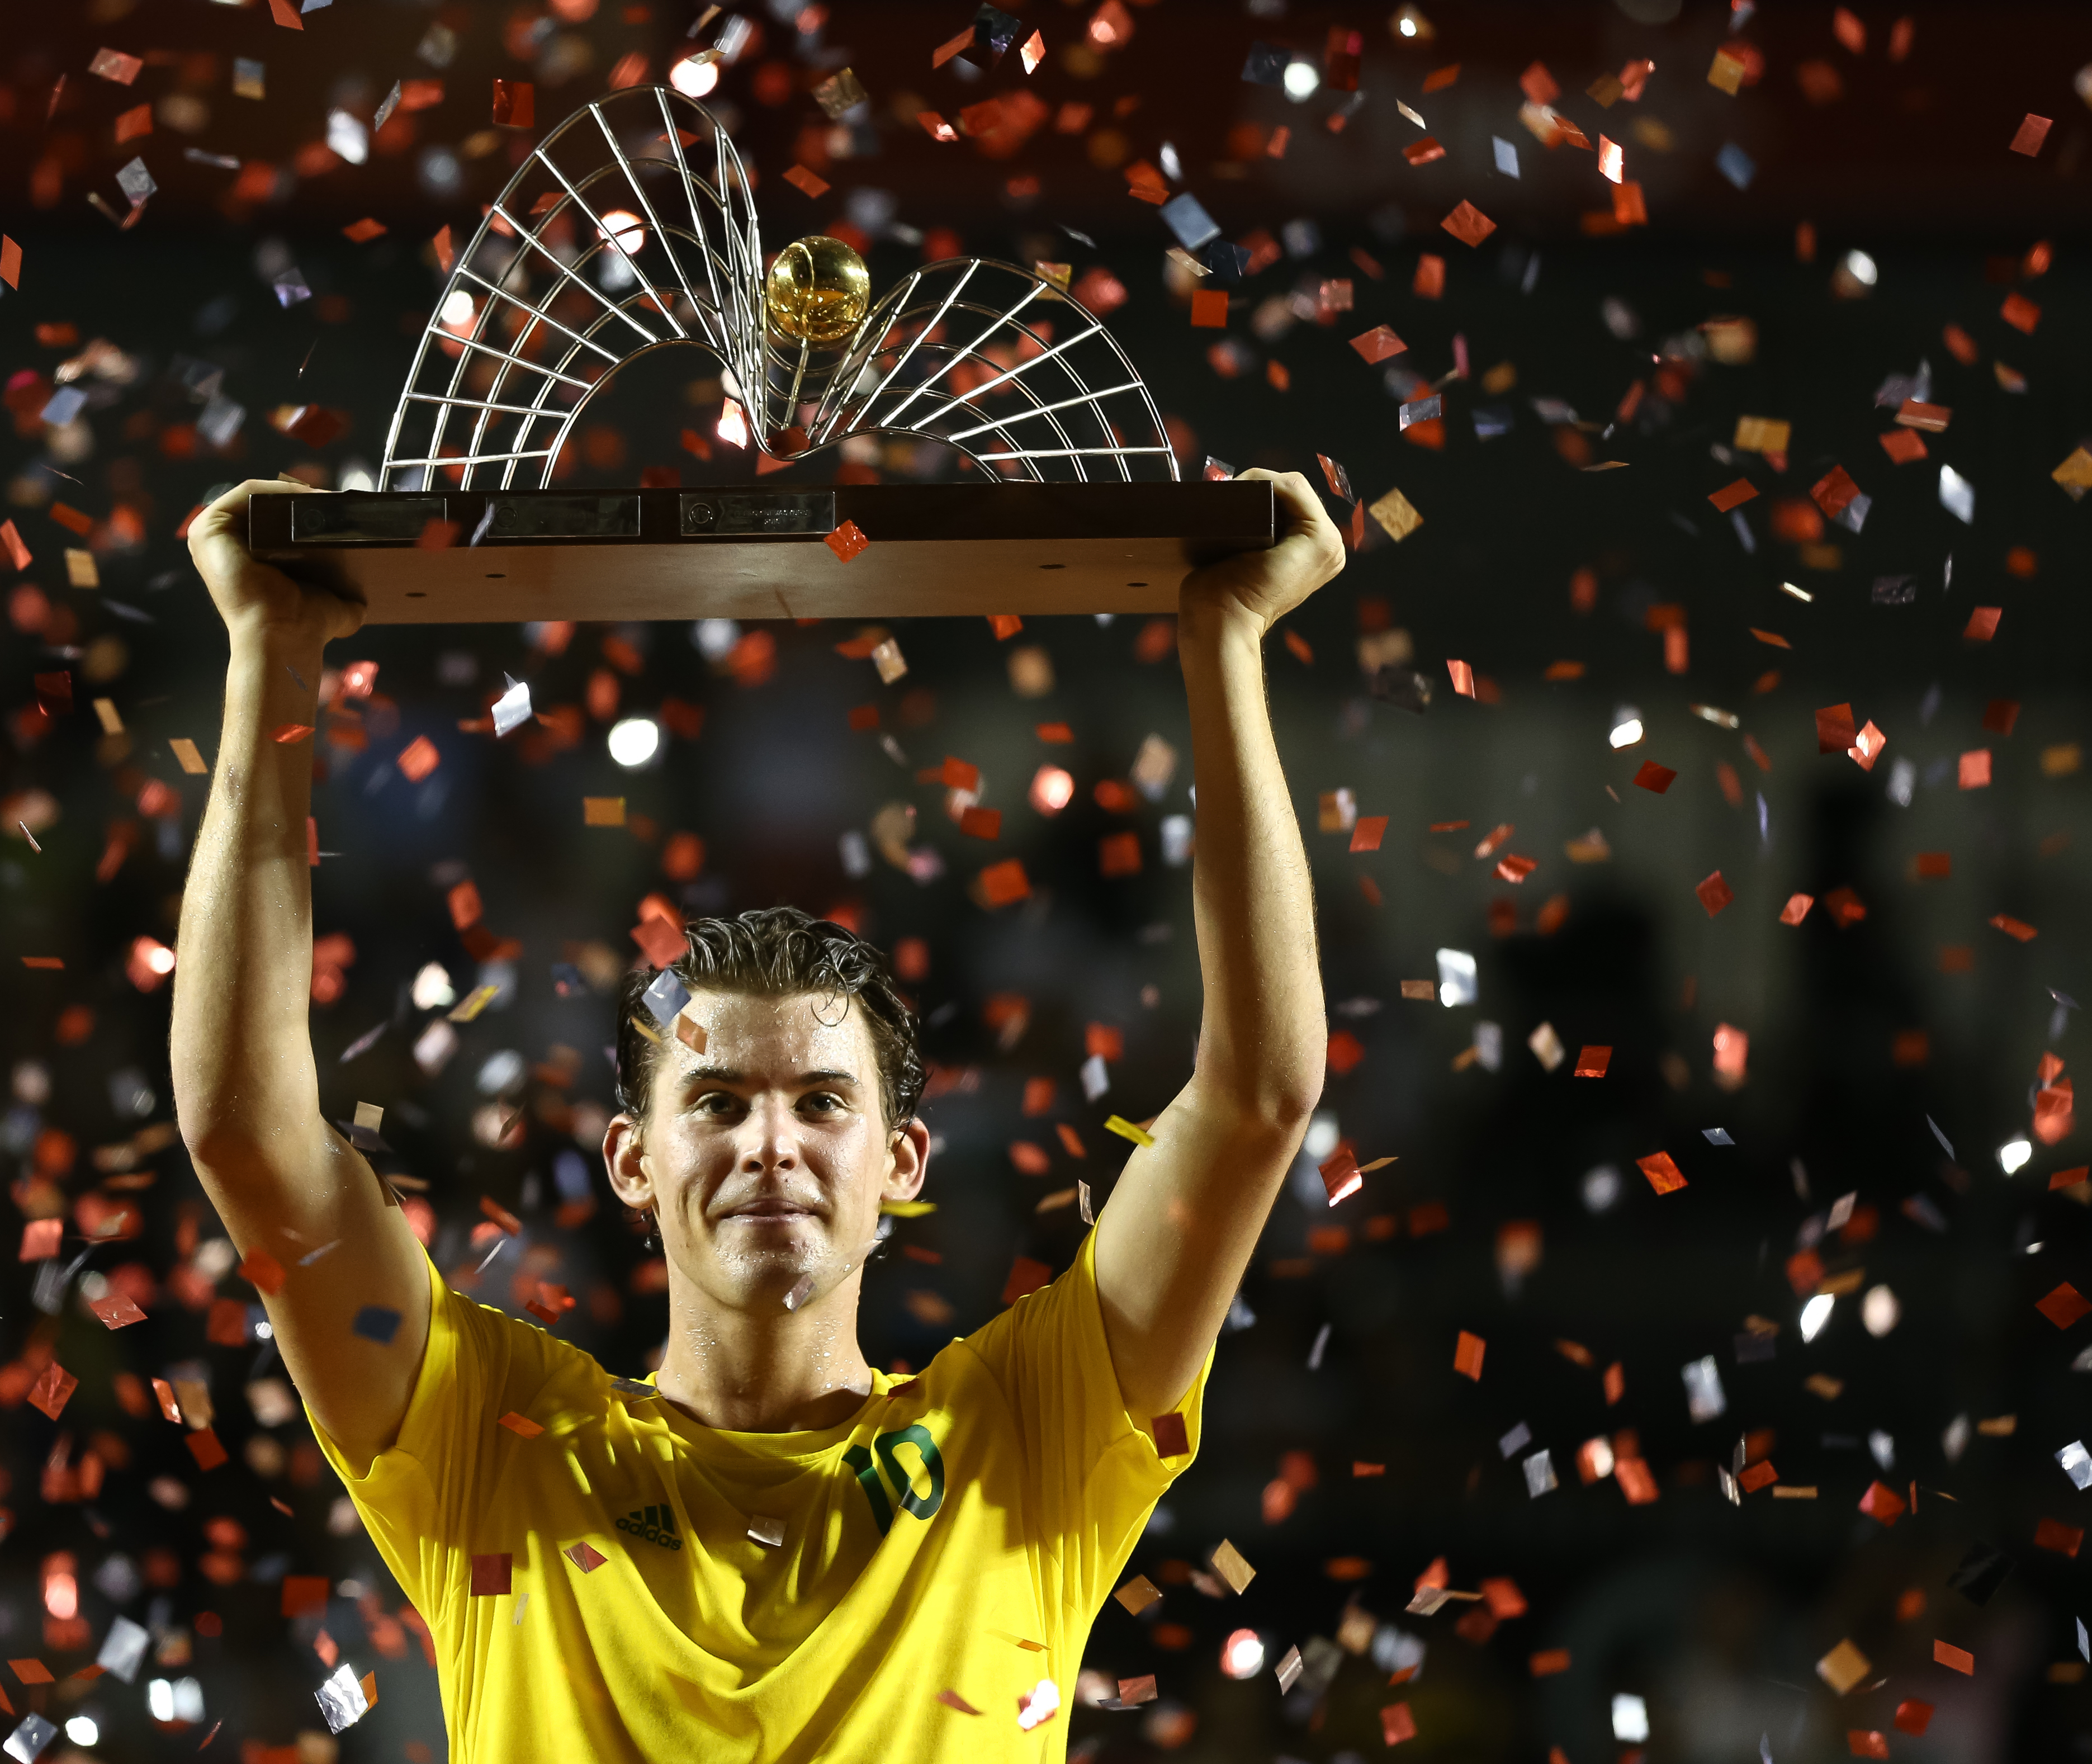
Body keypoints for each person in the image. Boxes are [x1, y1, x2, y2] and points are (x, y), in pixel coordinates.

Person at [172, 469, 1343, 1760]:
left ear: (902, 1159)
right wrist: (268, 655)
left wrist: (1224, 643)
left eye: (822, 1102)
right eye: (718, 1101)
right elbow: (246, 1131)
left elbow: (1257, 1099)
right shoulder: (493, 1437)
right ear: (632, 1158)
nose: (770, 1143)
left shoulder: (1026, 1436)